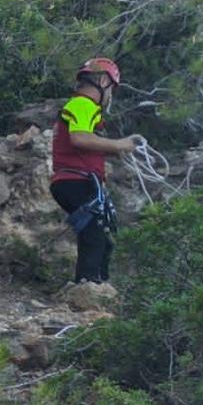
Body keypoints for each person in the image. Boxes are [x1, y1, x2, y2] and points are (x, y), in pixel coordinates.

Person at [50, 57, 137, 285]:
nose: (110, 96)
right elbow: (79, 138)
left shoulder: (82, 108)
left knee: (100, 236)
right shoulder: (83, 104)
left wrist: (110, 151)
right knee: (94, 233)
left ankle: (95, 286)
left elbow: (83, 143)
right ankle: (88, 287)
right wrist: (119, 145)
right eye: (112, 89)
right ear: (102, 81)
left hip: (75, 180)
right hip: (76, 180)